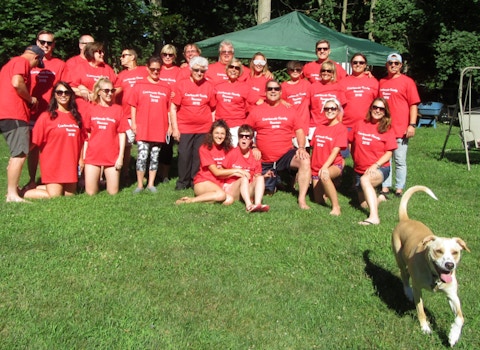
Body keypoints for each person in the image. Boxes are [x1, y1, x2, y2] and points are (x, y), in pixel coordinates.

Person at [247, 80, 311, 210]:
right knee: (268, 192)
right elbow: (246, 131)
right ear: (265, 92)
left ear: (281, 92)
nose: (273, 91)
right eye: (270, 89)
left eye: (276, 89)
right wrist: (253, 146)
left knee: (305, 160)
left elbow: (299, 130)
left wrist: (301, 147)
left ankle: (302, 199)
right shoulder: (256, 110)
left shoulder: (290, 109)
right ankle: (275, 183)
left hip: (285, 156)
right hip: (263, 159)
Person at [23, 82, 85, 199]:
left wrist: (81, 159)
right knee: (55, 196)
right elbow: (35, 141)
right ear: (54, 95)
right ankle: (20, 192)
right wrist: (21, 156)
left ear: (71, 95)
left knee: (69, 196)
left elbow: (81, 140)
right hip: (53, 163)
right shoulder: (46, 117)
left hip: (70, 164)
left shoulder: (76, 117)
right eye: (59, 92)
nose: (63, 95)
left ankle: (37, 186)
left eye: (66, 92)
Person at [0, 45, 44, 202]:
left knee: (19, 151)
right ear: (36, 57)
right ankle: (12, 194)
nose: (34, 68)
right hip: (15, 113)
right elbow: (17, 82)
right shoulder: (22, 62)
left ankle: (13, 189)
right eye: (36, 65)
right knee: (19, 154)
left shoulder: (9, 64)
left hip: (6, 113)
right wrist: (30, 99)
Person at [26, 30, 68, 190]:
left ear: (53, 45)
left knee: (50, 149)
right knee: (31, 148)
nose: (45, 45)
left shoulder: (60, 64)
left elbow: (64, 89)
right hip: (30, 112)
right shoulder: (29, 62)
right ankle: (31, 180)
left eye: (49, 43)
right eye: (42, 42)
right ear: (36, 42)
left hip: (51, 114)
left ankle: (49, 180)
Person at [175, 120, 248, 205]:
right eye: (217, 133)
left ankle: (207, 199)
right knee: (221, 195)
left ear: (226, 135)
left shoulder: (229, 149)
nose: (219, 136)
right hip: (203, 182)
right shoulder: (205, 148)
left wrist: (254, 148)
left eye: (222, 134)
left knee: (229, 200)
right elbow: (216, 172)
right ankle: (190, 200)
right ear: (211, 134)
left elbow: (242, 155)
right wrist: (236, 171)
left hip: (219, 184)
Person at [349, 98, 397, 225]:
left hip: (380, 168)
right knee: (364, 204)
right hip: (359, 169)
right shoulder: (360, 124)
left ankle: (374, 218)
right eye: (375, 107)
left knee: (365, 180)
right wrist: (355, 158)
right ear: (370, 108)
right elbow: (350, 141)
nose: (377, 110)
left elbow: (389, 153)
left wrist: (376, 165)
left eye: (381, 109)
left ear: (385, 112)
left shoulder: (387, 129)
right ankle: (380, 198)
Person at [170, 56, 216, 190]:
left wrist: (211, 128)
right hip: (185, 127)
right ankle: (182, 182)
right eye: (196, 70)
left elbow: (213, 108)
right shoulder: (181, 84)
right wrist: (175, 128)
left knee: (198, 156)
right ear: (191, 69)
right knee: (184, 154)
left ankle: (194, 180)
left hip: (203, 128)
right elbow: (173, 107)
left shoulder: (209, 86)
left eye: (202, 71)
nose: (199, 73)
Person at [378, 53, 420, 198]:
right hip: (384, 128)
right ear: (386, 65)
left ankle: (399, 188)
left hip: (401, 128)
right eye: (391, 63)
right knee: (385, 160)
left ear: (401, 65)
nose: (393, 65)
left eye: (396, 63)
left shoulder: (407, 82)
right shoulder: (382, 81)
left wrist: (412, 125)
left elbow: (413, 105)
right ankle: (385, 186)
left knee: (399, 160)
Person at [128, 56, 171, 193]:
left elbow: (169, 109)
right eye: (152, 69)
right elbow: (133, 105)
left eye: (158, 69)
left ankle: (151, 183)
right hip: (143, 126)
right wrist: (134, 123)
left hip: (159, 126)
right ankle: (140, 184)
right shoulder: (139, 85)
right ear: (147, 68)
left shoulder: (166, 87)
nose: (155, 72)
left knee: (155, 156)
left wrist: (170, 126)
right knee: (142, 155)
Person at [82, 77, 127, 195]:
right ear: (99, 92)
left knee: (113, 193)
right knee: (91, 193)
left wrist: (120, 156)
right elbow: (87, 134)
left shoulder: (118, 109)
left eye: (112, 91)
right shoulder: (91, 109)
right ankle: (96, 181)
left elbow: (122, 133)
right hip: (93, 154)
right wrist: (84, 157)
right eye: (106, 91)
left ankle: (103, 180)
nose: (110, 93)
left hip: (111, 154)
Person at [115, 48, 148, 184]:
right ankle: (125, 173)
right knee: (127, 146)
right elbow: (115, 91)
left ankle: (143, 173)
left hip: (144, 114)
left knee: (144, 145)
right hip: (127, 114)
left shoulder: (144, 70)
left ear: (133, 57)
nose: (121, 58)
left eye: (124, 55)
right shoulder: (121, 75)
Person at [310, 99, 348, 216]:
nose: (330, 111)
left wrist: (325, 167)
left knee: (325, 175)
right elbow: (314, 148)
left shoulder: (341, 128)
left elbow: (335, 151)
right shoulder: (320, 127)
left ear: (338, 111)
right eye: (327, 108)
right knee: (318, 200)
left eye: (333, 108)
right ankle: (329, 189)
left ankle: (336, 207)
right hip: (316, 167)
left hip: (333, 164)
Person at [222, 124, 269, 212]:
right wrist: (236, 172)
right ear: (238, 138)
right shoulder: (233, 153)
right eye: (241, 136)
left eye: (247, 137)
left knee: (260, 178)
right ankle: (249, 205)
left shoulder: (255, 155)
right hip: (232, 188)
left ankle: (258, 204)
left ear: (251, 140)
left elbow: (256, 175)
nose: (244, 138)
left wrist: (264, 177)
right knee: (243, 178)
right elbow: (221, 173)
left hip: (246, 189)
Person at [213, 58, 250, 146]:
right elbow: (212, 107)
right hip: (220, 126)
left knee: (233, 154)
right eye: (231, 67)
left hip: (236, 126)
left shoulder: (245, 87)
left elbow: (251, 107)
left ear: (240, 71)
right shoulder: (218, 86)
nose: (234, 70)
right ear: (227, 69)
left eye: (237, 68)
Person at [157, 44, 181, 183]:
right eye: (164, 54)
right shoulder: (157, 69)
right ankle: (154, 171)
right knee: (155, 143)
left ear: (174, 57)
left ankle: (165, 174)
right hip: (156, 110)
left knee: (167, 143)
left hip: (171, 111)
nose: (167, 57)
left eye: (170, 55)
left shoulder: (179, 71)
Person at [340, 53, 378, 129]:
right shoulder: (343, 82)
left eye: (361, 62)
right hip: (347, 126)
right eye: (355, 62)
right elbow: (339, 106)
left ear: (365, 65)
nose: (358, 64)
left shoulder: (373, 81)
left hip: (367, 126)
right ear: (351, 64)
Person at [309, 60, 347, 138]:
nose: (326, 73)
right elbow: (307, 106)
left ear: (333, 73)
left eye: (329, 71)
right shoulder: (313, 87)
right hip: (315, 125)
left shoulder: (338, 87)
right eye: (323, 70)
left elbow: (342, 109)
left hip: (332, 125)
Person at [281, 60, 311, 145]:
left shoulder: (306, 84)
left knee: (304, 151)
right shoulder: (284, 86)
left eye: (297, 69)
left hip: (304, 123)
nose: (295, 71)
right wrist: (282, 101)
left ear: (301, 71)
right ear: (288, 71)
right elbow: (278, 100)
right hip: (290, 124)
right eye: (292, 69)